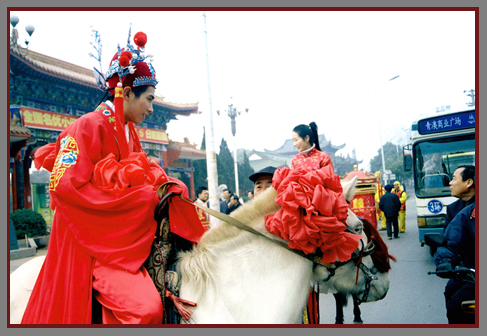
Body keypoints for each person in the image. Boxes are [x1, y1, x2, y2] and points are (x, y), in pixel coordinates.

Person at [21, 29, 205, 324]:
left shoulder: (127, 130)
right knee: (145, 310)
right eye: (149, 99)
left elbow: (141, 171)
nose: (152, 108)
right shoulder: (87, 126)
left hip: (119, 234)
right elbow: (65, 187)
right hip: (91, 242)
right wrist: (139, 200)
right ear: (127, 93)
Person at [433, 202, 475, 324]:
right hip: (475, 276)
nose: (451, 183)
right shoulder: (468, 214)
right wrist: (445, 260)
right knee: (455, 302)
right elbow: (451, 244)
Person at [444, 165, 475, 232]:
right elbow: (449, 239)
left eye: (454, 179)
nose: (450, 183)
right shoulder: (452, 209)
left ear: (469, 182)